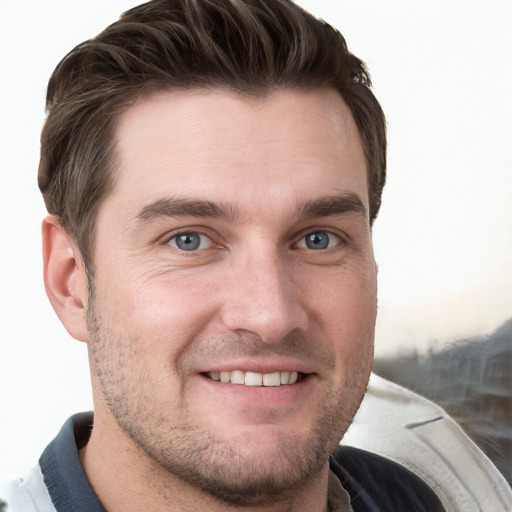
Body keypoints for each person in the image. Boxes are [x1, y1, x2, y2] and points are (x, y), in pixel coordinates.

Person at [1, 1, 509, 511]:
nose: (271, 315)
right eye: (189, 240)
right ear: (71, 281)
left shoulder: (446, 494)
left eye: (318, 239)